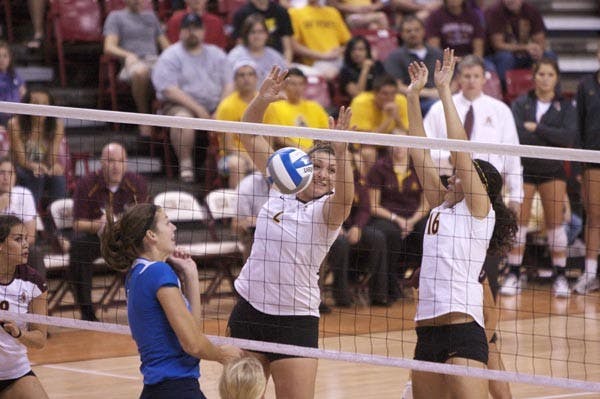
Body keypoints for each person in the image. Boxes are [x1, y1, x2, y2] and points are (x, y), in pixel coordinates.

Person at [228, 66, 353, 399]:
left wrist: (343, 152)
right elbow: (248, 133)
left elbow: (346, 199)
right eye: (320, 166)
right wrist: (261, 100)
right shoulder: (281, 185)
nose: (325, 175)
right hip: (250, 309)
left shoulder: (326, 212)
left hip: (295, 320)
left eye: (333, 170)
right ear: (304, 167)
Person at [406, 50, 517, 398]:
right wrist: (412, 97)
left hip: (463, 330)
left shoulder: (479, 212)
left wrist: (443, 91)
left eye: (462, 175)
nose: (454, 176)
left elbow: (460, 152)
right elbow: (418, 152)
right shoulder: (441, 206)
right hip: (427, 332)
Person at [100, 204, 242, 398]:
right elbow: (192, 344)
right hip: (176, 389)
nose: (174, 227)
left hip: (160, 389)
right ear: (151, 235)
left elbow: (192, 331)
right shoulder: (158, 272)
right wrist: (222, 355)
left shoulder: (136, 274)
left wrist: (190, 274)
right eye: (167, 222)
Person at [423, 55, 523, 298]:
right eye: (466, 76)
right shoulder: (439, 108)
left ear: (484, 78)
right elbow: (423, 147)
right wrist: (449, 158)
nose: (471, 81)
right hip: (453, 188)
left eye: (476, 76)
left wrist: (517, 194)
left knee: (487, 254)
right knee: (454, 248)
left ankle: (490, 315)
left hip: (488, 190)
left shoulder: (500, 110)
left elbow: (512, 154)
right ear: (459, 78)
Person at [505, 58, 577, 298]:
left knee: (556, 225)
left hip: (552, 170)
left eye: (550, 75)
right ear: (534, 77)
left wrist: (537, 129)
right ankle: (514, 273)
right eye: (541, 74)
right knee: (519, 224)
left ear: (556, 79)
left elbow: (567, 137)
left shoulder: (566, 107)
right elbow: (516, 134)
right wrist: (546, 136)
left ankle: (560, 276)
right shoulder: (521, 103)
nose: (545, 78)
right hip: (524, 168)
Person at [70, 143, 148, 321]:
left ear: (126, 163)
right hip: (96, 238)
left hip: (125, 238)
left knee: (144, 248)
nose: (116, 166)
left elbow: (144, 218)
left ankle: (141, 309)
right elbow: (77, 224)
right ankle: (87, 313)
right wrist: (99, 224)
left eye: (120, 161)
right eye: (111, 161)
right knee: (78, 247)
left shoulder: (136, 183)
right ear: (101, 163)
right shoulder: (87, 183)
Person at [152, 13, 233, 183]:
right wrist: (198, 109)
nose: (192, 32)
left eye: (196, 28)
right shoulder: (170, 55)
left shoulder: (217, 54)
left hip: (215, 105)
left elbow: (229, 84)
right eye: (187, 29)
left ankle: (228, 164)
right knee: (183, 120)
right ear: (181, 32)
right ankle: (186, 164)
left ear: (203, 31)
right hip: (181, 106)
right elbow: (169, 89)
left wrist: (221, 109)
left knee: (234, 114)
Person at [367, 143, 430, 303]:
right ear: (389, 146)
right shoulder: (379, 168)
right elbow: (374, 205)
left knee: (427, 233)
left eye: (402, 143)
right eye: (395, 144)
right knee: (390, 233)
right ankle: (389, 285)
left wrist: (412, 221)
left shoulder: (418, 167)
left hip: (413, 216)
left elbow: (426, 205)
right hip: (387, 216)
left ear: (409, 146)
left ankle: (422, 285)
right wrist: (397, 219)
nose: (399, 147)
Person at [328, 150, 389, 307]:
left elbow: (365, 208)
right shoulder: (327, 178)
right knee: (340, 243)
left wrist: (358, 227)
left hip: (353, 226)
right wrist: (336, 225)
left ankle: (378, 294)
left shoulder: (357, 180)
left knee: (378, 238)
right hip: (332, 227)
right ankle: (341, 296)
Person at [103, 0, 170, 139]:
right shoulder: (115, 17)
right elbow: (109, 46)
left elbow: (166, 46)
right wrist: (128, 55)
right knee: (141, 72)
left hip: (154, 61)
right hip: (132, 62)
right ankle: (144, 118)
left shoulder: (151, 17)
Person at [0, 214, 49, 399]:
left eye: (26, 239)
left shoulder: (33, 282)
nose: (26, 244)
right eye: (18, 239)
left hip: (14, 373)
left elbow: (40, 339)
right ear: (1, 245)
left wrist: (19, 334)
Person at [8, 90, 67, 206]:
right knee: (37, 177)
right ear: (27, 105)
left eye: (45, 104)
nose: (40, 108)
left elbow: (51, 159)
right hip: (19, 168)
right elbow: (21, 160)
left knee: (58, 178)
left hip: (42, 167)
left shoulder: (57, 125)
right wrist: (35, 166)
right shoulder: (15, 124)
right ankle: (31, 216)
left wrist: (53, 167)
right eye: (35, 103)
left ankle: (57, 217)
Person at [574, 44, 600, 294]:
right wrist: (580, 161)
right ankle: (590, 274)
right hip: (592, 160)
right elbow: (578, 124)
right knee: (594, 217)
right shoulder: (586, 86)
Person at [485, 0, 556, 87]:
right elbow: (498, 45)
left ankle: (554, 94)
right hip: (498, 56)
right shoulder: (495, 12)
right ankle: (504, 94)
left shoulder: (531, 10)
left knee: (549, 55)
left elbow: (540, 40)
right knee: (506, 57)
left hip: (524, 55)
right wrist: (525, 48)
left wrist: (538, 50)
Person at [349, 74, 409, 172]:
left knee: (406, 149)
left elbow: (408, 133)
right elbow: (366, 141)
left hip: (389, 144)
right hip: (364, 147)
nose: (389, 98)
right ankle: (369, 185)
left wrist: (396, 117)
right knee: (369, 153)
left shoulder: (401, 100)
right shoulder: (360, 102)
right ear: (375, 93)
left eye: (393, 94)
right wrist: (389, 118)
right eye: (385, 94)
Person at [384, 15, 443, 114]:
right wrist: (429, 93)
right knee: (437, 106)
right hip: (411, 101)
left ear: (424, 31)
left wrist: (442, 92)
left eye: (416, 30)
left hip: (439, 97)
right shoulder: (395, 56)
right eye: (408, 31)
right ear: (401, 34)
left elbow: (453, 81)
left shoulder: (437, 53)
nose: (413, 33)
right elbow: (396, 86)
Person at [215, 61, 260, 189]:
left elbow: (270, 138)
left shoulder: (265, 103)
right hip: (233, 156)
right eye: (242, 75)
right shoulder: (227, 106)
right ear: (235, 80)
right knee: (237, 164)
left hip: (260, 152)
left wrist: (265, 158)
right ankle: (236, 205)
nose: (246, 79)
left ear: (256, 78)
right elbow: (229, 146)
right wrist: (251, 160)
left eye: (250, 74)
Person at [262, 67, 329, 150]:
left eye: (301, 84)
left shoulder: (315, 107)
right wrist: (302, 149)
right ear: (284, 84)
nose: (297, 88)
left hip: (316, 153)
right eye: (293, 84)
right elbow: (276, 137)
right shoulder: (274, 107)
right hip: (290, 153)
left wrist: (316, 150)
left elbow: (326, 133)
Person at [0, 156, 44, 277]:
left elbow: (31, 236)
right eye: (1, 173)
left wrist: (13, 247)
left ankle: (39, 293)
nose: (5, 177)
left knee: (35, 252)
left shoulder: (24, 194)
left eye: (10, 173)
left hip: (18, 246)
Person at [289, 0, 352, 80]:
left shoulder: (333, 12)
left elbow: (349, 42)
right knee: (328, 73)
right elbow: (294, 45)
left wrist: (340, 50)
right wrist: (323, 56)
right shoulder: (295, 13)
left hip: (338, 58)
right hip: (316, 63)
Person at [227, 14, 288, 84]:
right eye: (253, 32)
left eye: (260, 32)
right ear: (246, 35)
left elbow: (283, 84)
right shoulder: (235, 55)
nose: (257, 36)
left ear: (267, 34)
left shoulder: (276, 57)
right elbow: (229, 83)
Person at [0, 41, 26, 130]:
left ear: (10, 58)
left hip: (17, 116)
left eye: (5, 56)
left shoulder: (15, 75)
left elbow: (24, 95)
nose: (2, 60)